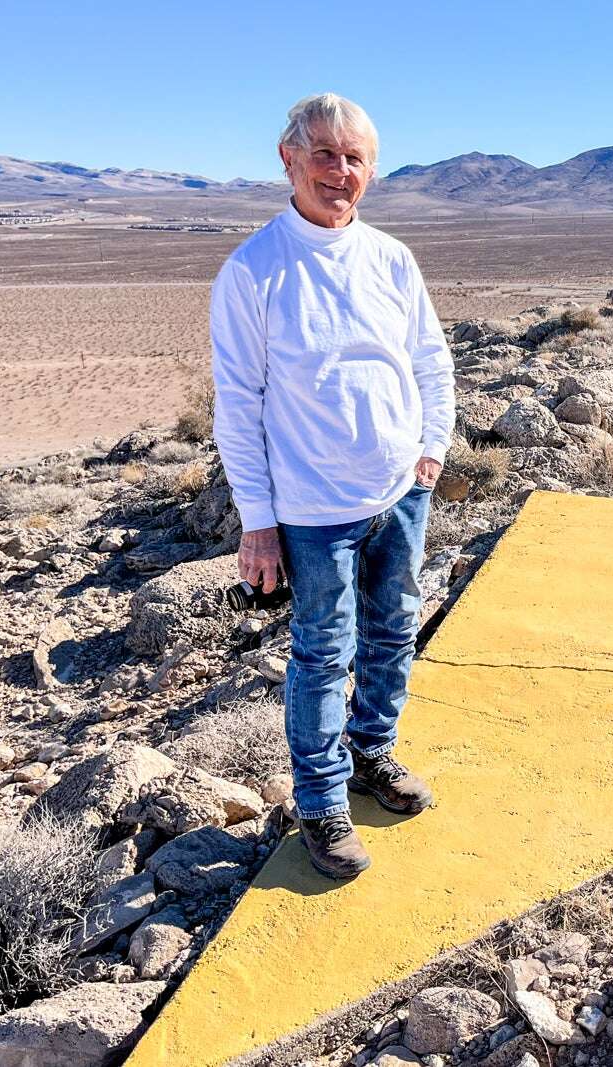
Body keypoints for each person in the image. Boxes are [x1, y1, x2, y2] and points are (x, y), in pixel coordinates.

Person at [209, 93, 455, 879]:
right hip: (312, 514)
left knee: (393, 631)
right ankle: (320, 804)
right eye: (323, 153)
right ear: (287, 159)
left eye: (354, 158)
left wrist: (432, 452)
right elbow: (238, 405)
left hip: (399, 495)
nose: (338, 171)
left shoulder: (391, 258)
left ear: (372, 171)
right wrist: (258, 522)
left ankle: (372, 753)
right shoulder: (254, 270)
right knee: (321, 654)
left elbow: (430, 361)